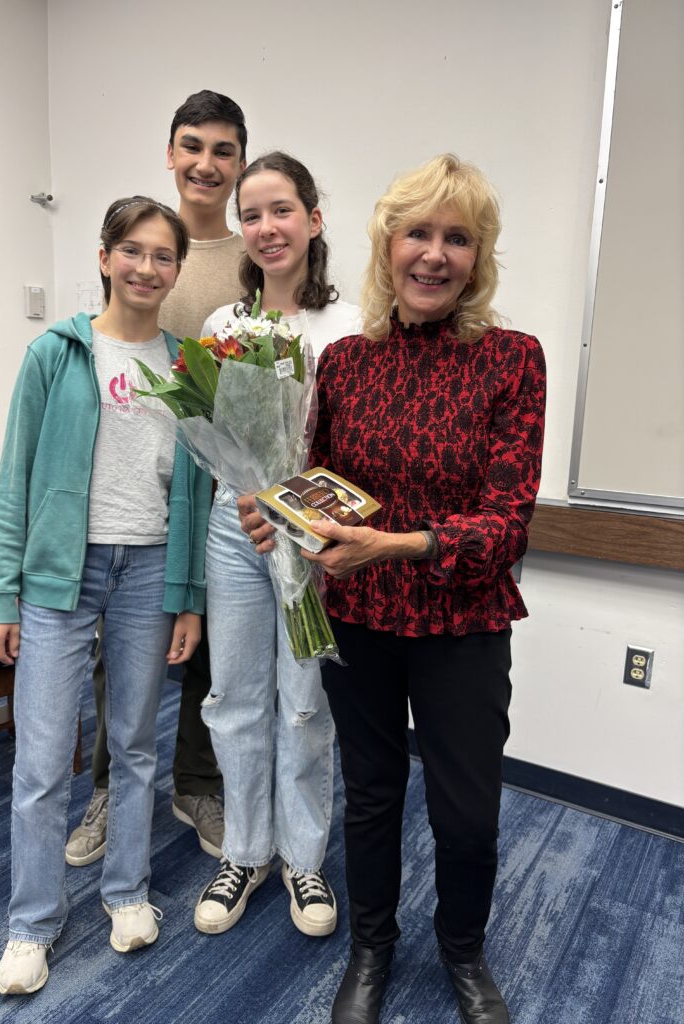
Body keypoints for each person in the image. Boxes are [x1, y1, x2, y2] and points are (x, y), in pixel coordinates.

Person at [240, 154, 546, 1024]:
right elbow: (314, 487)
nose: (435, 255)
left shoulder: (513, 360)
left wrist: (397, 545)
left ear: (478, 257)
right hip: (361, 621)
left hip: (465, 623)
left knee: (467, 814)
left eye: (458, 238)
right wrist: (276, 516)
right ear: (386, 247)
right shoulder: (344, 362)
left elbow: (506, 523)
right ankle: (371, 949)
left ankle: (463, 952)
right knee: (371, 799)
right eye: (418, 233)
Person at [0, 196, 211, 995]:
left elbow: (195, 493)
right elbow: (16, 478)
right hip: (61, 575)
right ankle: (32, 923)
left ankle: (127, 892)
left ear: (176, 269)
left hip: (148, 572)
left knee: (136, 744)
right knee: (43, 759)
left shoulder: (190, 366)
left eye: (163, 256)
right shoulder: (56, 352)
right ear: (106, 258)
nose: (147, 268)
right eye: (133, 252)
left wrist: (189, 596)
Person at [66, 90, 247, 869]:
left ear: (239, 163)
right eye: (192, 146)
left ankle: (197, 784)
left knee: (211, 648)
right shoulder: (149, 242)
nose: (206, 163)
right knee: (124, 653)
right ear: (170, 154)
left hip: (223, 483)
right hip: (139, 489)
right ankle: (110, 788)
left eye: (223, 150)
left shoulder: (252, 255)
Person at [193, 152, 360, 937]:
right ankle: (246, 851)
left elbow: (358, 446)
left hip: (310, 537)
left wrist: (299, 509)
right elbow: (213, 438)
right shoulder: (222, 328)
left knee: (302, 702)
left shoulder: (351, 325)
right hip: (235, 528)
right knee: (233, 697)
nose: (266, 228)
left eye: (281, 210)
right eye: (251, 214)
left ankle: (303, 858)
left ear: (313, 219)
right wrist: (248, 488)